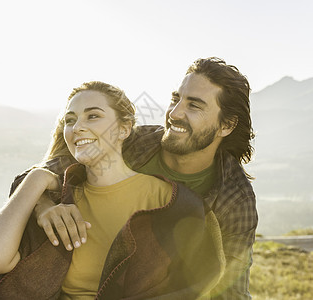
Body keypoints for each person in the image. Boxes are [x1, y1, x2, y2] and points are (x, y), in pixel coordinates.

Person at [0, 81, 225, 299]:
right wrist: (37, 179)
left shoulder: (165, 198)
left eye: (93, 116)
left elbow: (192, 281)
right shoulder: (59, 200)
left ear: (124, 128)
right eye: (70, 120)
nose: (78, 128)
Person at [28, 57, 258, 299]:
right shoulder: (132, 143)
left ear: (227, 125)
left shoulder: (234, 199)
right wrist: (43, 207)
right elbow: (35, 176)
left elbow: (230, 289)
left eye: (194, 106)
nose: (175, 113)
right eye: (175, 99)